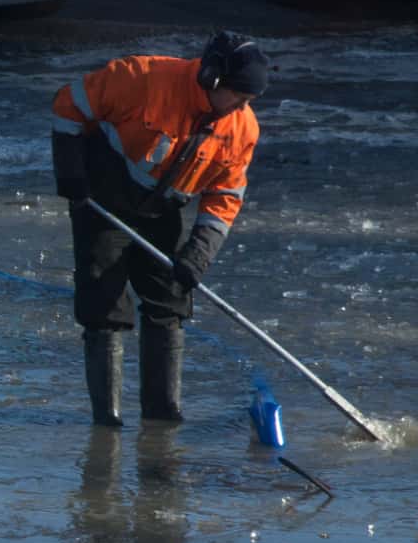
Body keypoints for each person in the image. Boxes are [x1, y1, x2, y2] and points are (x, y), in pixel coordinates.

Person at [50, 31, 269, 427]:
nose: (242, 106)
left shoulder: (242, 128)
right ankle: (107, 420)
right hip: (101, 199)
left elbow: (226, 197)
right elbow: (68, 105)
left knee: (169, 301)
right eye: (238, 95)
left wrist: (198, 254)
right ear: (211, 78)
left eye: (249, 101)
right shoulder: (141, 78)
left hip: (163, 208)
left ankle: (162, 415)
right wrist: (70, 174)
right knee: (104, 306)